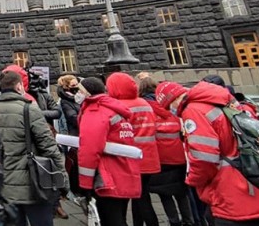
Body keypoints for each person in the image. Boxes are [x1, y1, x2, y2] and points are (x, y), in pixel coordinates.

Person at [161, 80, 259, 225]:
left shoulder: (193, 110)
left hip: (230, 191)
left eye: (168, 106)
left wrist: (194, 181)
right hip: (254, 181)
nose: (172, 111)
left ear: (173, 100)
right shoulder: (225, 101)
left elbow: (204, 157)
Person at [0, 70, 66, 226]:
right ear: (19, 86)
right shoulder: (30, 109)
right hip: (34, 184)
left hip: (6, 185)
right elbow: (49, 147)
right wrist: (63, 179)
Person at [77, 77, 141, 226]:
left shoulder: (95, 111)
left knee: (111, 219)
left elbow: (90, 149)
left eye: (79, 91)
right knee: (120, 217)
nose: (77, 94)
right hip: (124, 171)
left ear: (88, 93)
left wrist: (85, 183)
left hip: (107, 176)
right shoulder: (114, 107)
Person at [106, 72, 160, 226]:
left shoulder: (120, 106)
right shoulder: (144, 103)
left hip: (130, 160)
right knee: (141, 197)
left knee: (133, 200)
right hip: (150, 157)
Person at [150, 82, 194, 226]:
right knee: (182, 195)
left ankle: (174, 222)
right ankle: (189, 221)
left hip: (162, 163)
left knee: (165, 196)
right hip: (179, 162)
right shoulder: (176, 119)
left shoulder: (153, 120)